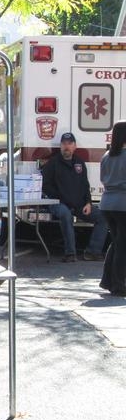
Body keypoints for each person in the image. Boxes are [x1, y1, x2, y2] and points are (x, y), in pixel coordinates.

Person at [40, 132, 108, 262]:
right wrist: (61, 198)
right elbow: (45, 185)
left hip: (79, 204)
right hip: (57, 203)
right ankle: (70, 254)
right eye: (64, 144)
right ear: (60, 146)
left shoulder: (79, 163)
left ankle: (93, 252)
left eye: (70, 144)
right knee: (66, 214)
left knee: (103, 217)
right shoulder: (53, 163)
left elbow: (85, 185)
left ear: (74, 146)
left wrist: (88, 202)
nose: (67, 147)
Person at [99, 120, 126, 296]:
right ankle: (118, 284)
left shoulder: (106, 156)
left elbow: (103, 179)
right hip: (123, 203)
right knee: (122, 246)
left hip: (107, 203)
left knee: (117, 243)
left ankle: (107, 280)